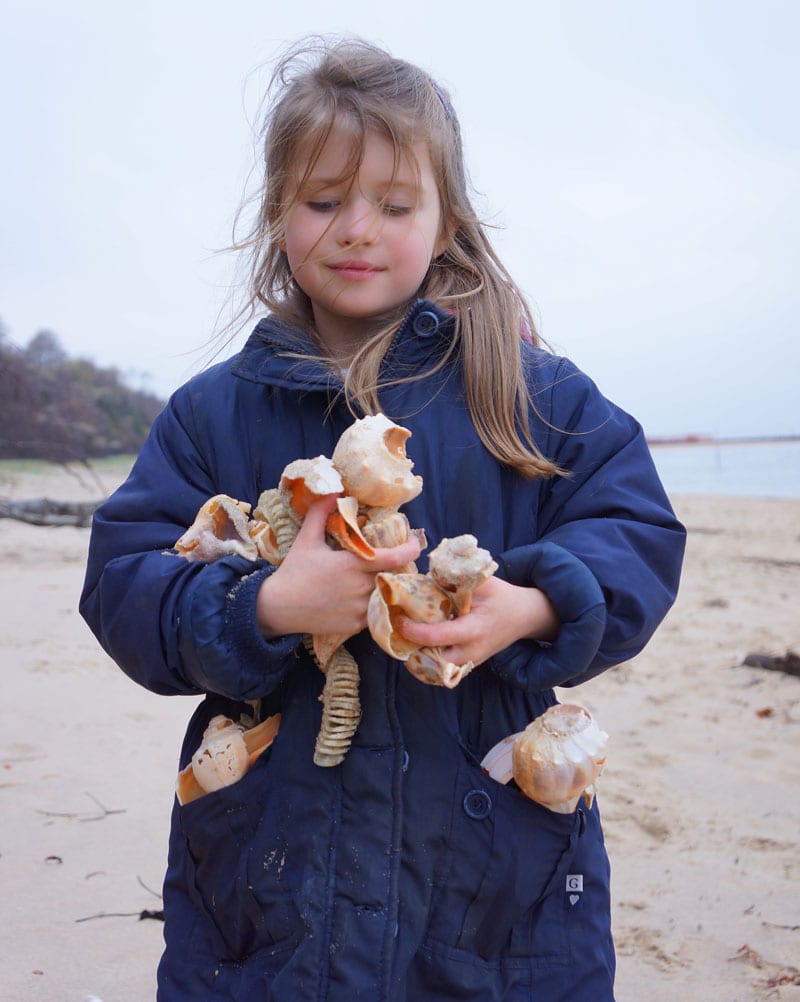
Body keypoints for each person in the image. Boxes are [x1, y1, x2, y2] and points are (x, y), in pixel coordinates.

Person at [80, 37, 685, 1002]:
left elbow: (636, 529)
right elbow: (122, 583)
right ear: (279, 217)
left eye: (394, 206)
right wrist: (268, 606)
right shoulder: (211, 412)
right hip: (268, 874)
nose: (357, 229)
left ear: (444, 222)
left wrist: (529, 607)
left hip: (497, 875)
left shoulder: (529, 392)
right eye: (324, 201)